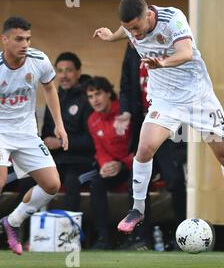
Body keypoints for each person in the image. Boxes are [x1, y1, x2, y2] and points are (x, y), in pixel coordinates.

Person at [93, 0, 224, 236]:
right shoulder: (132, 28)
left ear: (148, 15)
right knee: (145, 147)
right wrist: (112, 35)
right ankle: (137, 209)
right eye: (128, 29)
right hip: (165, 99)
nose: (134, 34)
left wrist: (162, 63)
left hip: (198, 95)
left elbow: (186, 52)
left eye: (135, 27)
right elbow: (125, 30)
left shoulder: (173, 18)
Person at [0, 16, 69, 255]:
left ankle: (13, 221)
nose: (25, 44)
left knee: (52, 184)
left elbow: (50, 87)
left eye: (28, 39)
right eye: (19, 39)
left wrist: (59, 125)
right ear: (5, 40)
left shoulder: (39, 60)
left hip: (27, 132)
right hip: (0, 132)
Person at [116, 43, 187, 249]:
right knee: (137, 182)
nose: (132, 37)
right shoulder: (131, 49)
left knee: (174, 180)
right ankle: (141, 239)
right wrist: (126, 112)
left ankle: (180, 237)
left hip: (168, 123)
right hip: (144, 125)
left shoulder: (169, 44)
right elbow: (127, 84)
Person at [41, 52, 95, 212]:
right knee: (31, 180)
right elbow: (45, 133)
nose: (64, 75)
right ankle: (29, 232)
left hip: (82, 161)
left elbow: (92, 140)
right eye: (60, 71)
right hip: (58, 161)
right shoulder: (53, 98)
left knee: (72, 181)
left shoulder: (88, 99)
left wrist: (61, 142)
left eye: (68, 70)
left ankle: (71, 234)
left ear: (78, 72)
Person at [84, 76, 134, 249]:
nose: (95, 100)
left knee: (135, 184)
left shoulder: (124, 112)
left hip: (134, 164)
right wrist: (105, 165)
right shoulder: (92, 120)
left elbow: (138, 144)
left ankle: (135, 238)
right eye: (90, 97)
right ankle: (103, 238)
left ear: (108, 94)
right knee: (96, 183)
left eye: (98, 94)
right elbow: (100, 149)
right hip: (114, 167)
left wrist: (122, 163)